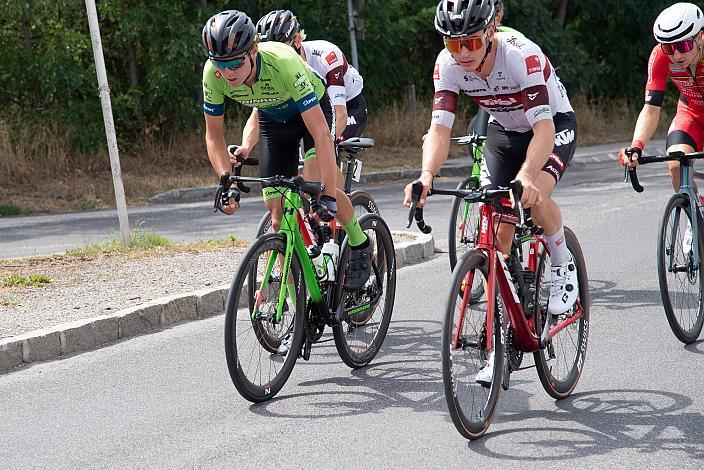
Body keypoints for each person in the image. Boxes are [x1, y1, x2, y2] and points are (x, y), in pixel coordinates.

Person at [403, 0, 578, 335]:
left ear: (490, 31)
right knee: (498, 231)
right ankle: (500, 333)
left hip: (551, 125)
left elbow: (543, 130)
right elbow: (439, 130)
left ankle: (561, 262)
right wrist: (426, 176)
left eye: (471, 42)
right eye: (454, 44)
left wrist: (526, 176)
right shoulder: (447, 65)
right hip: (505, 130)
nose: (463, 52)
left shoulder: (520, 56)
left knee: (534, 194)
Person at [201, 9, 372, 291]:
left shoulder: (284, 62)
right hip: (273, 120)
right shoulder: (213, 74)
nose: (226, 72)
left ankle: (358, 239)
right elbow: (214, 135)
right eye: (219, 64)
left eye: (234, 62)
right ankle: (294, 305)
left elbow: (320, 133)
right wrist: (225, 181)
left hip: (311, 113)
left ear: (253, 51)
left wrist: (327, 193)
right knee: (277, 214)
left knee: (315, 186)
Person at [619, 3, 704, 198]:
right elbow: (650, 109)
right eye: (668, 47)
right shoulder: (659, 56)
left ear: (700, 37)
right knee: (676, 165)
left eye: (683, 45)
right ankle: (695, 218)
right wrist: (636, 147)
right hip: (690, 113)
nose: (676, 55)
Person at [256, 9, 367, 141]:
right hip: (313, 108)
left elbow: (340, 113)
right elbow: (259, 114)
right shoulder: (271, 68)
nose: (274, 59)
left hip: (349, 105)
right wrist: (245, 148)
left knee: (331, 145)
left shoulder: (327, 55)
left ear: (297, 40)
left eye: (281, 50)